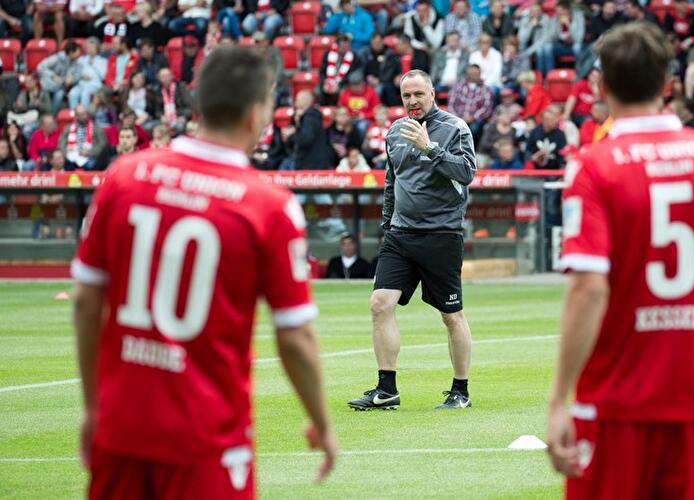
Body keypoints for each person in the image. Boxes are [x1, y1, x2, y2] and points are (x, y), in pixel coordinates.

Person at [72, 46, 336, 500]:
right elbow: (294, 336)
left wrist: (93, 409)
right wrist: (323, 423)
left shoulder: (124, 175)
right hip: (207, 441)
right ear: (256, 114)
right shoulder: (268, 207)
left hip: (121, 430)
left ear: (198, 105)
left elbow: (84, 301)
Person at [547, 22, 694, 499]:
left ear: (602, 86)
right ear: (669, 85)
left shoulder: (592, 166)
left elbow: (590, 288)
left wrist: (557, 401)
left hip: (614, 404)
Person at [347, 69, 477, 411]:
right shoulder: (394, 132)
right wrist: (387, 224)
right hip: (400, 236)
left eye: (419, 94)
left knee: (451, 316)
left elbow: (466, 174)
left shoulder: (455, 128)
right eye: (406, 96)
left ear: (432, 93)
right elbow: (392, 182)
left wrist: (430, 148)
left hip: (441, 235)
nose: (413, 101)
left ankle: (460, 391)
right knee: (379, 305)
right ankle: (386, 389)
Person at [284, 90, 333, 170]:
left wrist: (290, 136)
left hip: (311, 164)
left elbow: (306, 139)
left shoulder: (309, 118)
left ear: (303, 101)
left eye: (297, 100)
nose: (295, 103)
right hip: (317, 162)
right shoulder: (313, 116)